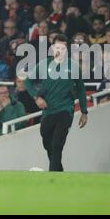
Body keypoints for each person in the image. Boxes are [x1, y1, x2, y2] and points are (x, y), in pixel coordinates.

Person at [24, 34, 88, 171]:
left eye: (63, 48)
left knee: (57, 144)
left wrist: (84, 111)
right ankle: (58, 171)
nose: (60, 50)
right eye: (57, 47)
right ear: (52, 48)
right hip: (48, 110)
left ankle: (53, 175)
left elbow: (81, 89)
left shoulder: (73, 66)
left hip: (66, 110)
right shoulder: (43, 64)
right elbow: (28, 82)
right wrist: (37, 98)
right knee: (47, 142)